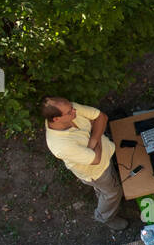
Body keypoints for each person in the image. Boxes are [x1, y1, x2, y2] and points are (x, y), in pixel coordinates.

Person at [42, 96, 128, 231]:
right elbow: (96, 160)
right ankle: (104, 217)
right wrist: (96, 129)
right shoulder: (61, 145)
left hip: (104, 154)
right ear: (56, 119)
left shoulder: (69, 108)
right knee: (112, 193)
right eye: (69, 112)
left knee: (106, 189)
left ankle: (101, 193)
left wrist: (93, 140)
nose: (74, 111)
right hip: (97, 172)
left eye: (72, 107)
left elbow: (102, 117)